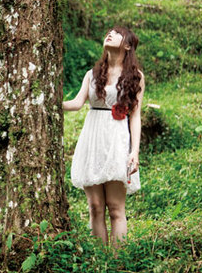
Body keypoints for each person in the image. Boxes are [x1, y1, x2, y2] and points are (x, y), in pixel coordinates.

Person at [63, 26, 145, 247]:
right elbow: (77, 103)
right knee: (95, 206)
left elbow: (135, 116)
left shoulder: (136, 77)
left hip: (118, 140)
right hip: (92, 139)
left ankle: (118, 263)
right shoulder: (92, 74)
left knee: (116, 207)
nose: (110, 34)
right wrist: (52, 102)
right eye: (108, 32)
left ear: (127, 45)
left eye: (116, 33)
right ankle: (101, 262)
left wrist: (134, 152)